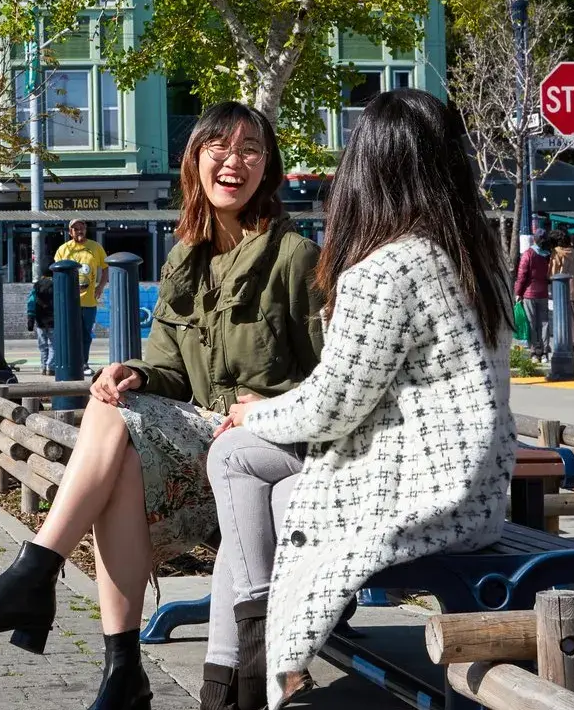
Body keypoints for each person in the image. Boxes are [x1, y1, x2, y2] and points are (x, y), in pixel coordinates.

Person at [0, 102, 324, 710]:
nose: (233, 161)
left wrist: (269, 404)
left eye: (251, 150)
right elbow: (167, 368)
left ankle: (37, 578)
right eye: (219, 146)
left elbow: (331, 380)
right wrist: (130, 372)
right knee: (116, 434)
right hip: (203, 438)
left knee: (113, 434)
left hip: (261, 447)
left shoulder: (294, 257)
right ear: (195, 159)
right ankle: (121, 669)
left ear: (267, 168)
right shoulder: (184, 256)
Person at [211, 88, 516, 707]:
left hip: (421, 492)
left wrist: (251, 410)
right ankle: (243, 668)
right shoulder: (473, 256)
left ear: (368, 170)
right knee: (261, 484)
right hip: (479, 490)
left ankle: (248, 661)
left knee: (236, 455)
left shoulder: (388, 269)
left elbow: (331, 405)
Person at [54, 219, 110, 345]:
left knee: (86, 334)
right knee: (70, 333)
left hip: (89, 301)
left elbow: (106, 268)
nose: (79, 231)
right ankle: (73, 363)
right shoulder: (63, 249)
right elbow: (57, 272)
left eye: (82, 228)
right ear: (70, 232)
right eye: (76, 229)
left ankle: (84, 362)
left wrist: (100, 286)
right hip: (69, 301)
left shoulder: (96, 247)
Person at [515, 232, 553, 361]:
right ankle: (545, 352)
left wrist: (518, 293)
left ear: (534, 240)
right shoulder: (547, 255)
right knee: (544, 323)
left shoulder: (528, 254)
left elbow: (522, 276)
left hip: (529, 294)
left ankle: (534, 352)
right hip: (543, 292)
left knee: (531, 323)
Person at [27, 272, 56, 375]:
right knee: (53, 345)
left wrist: (31, 318)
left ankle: (43, 367)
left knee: (43, 346)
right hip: (53, 320)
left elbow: (31, 301)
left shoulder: (37, 285)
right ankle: (50, 367)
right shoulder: (55, 284)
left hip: (40, 321)